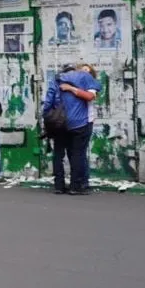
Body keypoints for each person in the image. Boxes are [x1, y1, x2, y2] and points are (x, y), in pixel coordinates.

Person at [42, 63, 102, 195]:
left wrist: (47, 119)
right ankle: (75, 186)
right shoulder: (85, 79)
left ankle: (59, 185)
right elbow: (93, 93)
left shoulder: (56, 80)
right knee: (77, 154)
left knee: (59, 154)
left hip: (60, 123)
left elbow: (47, 104)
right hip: (79, 123)